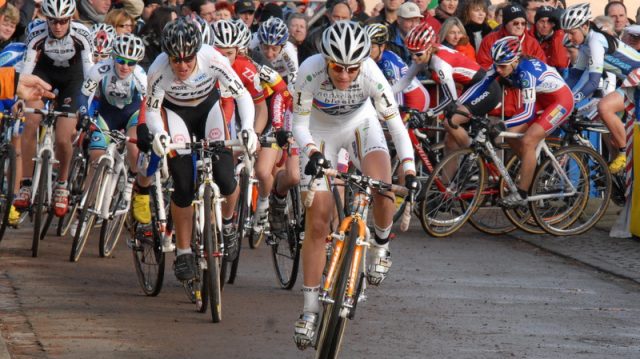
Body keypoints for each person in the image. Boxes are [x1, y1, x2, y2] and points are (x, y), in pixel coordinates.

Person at [292, 21, 418, 350]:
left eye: (351, 68)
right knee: (318, 221)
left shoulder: (372, 74)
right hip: (319, 134)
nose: (345, 75)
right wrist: (313, 154)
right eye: (337, 67)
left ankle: (379, 244)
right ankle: (309, 310)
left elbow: (396, 126)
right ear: (325, 60)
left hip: (361, 126)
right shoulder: (309, 71)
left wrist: (409, 167)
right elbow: (299, 126)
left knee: (384, 186)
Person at [137, 17, 257, 281]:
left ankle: (227, 224)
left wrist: (248, 127)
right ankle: (182, 252)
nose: (182, 65)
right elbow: (153, 110)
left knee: (226, 178)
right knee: (182, 185)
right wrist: (159, 134)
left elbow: (241, 95)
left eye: (187, 59)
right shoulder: (158, 70)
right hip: (176, 114)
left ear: (196, 53)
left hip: (208, 109)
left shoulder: (213, 59)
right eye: (175, 60)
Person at [457, 36, 573, 206]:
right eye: (496, 64)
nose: (498, 69)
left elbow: (527, 113)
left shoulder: (526, 73)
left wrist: (502, 124)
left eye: (503, 66)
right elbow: (481, 85)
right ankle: (531, 169)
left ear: (515, 60)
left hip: (561, 101)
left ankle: (522, 194)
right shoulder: (502, 64)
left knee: (527, 140)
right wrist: (458, 104)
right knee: (510, 135)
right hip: (542, 98)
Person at [15, 0, 93, 216]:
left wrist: (85, 107)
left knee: (63, 136)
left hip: (73, 79)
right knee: (30, 120)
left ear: (70, 19)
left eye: (62, 21)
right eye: (53, 21)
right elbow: (27, 69)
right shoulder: (37, 32)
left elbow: (90, 75)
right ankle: (26, 184)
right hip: (44, 74)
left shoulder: (82, 34)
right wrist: (19, 100)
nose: (57, 26)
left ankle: (62, 184)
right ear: (46, 19)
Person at [77, 33, 148, 226]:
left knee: (134, 148)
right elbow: (84, 96)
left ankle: (132, 184)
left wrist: (142, 128)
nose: (125, 66)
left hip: (132, 115)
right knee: (96, 155)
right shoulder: (100, 69)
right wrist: (84, 115)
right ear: (113, 57)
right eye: (121, 60)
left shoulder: (141, 76)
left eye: (131, 63)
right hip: (107, 115)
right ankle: (86, 207)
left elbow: (147, 105)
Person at [562, 3, 640, 174]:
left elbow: (592, 81)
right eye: (566, 33)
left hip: (637, 77)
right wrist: (560, 94)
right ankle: (619, 172)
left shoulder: (596, 41)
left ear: (584, 26)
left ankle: (622, 154)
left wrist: (570, 100)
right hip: (631, 81)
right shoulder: (585, 45)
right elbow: (574, 76)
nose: (570, 38)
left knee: (604, 107)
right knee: (602, 124)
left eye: (571, 32)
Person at [365, 23, 429, 112]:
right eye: (365, 46)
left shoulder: (388, 63)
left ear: (382, 47)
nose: (367, 51)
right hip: (403, 95)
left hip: (414, 98)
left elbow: (397, 95)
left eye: (372, 47)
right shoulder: (375, 59)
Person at [533, 5, 569, 75]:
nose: (545, 25)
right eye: (542, 21)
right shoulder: (529, 36)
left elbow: (560, 63)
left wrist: (558, 32)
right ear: (536, 22)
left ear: (554, 24)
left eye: (549, 22)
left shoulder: (560, 37)